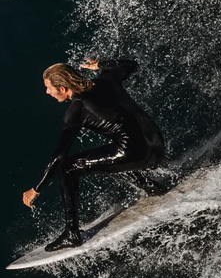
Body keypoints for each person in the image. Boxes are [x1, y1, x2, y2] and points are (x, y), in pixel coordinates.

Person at [22, 58, 168, 251]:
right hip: (157, 146)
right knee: (107, 153)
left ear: (63, 88)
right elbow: (132, 64)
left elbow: (59, 157)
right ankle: (150, 186)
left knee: (68, 168)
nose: (47, 92)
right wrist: (100, 64)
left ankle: (72, 234)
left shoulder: (76, 109)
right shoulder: (106, 79)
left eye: (49, 88)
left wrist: (36, 188)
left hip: (140, 155)